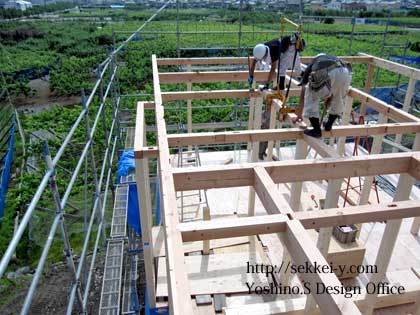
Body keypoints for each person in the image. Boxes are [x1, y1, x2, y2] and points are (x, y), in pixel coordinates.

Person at [294, 53, 352, 138]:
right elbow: (334, 86)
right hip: (346, 72)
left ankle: (316, 130)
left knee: (310, 96)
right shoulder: (333, 59)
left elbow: (304, 92)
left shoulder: (313, 65)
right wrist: (330, 96)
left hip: (329, 73)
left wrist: (299, 115)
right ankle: (328, 125)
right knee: (338, 98)